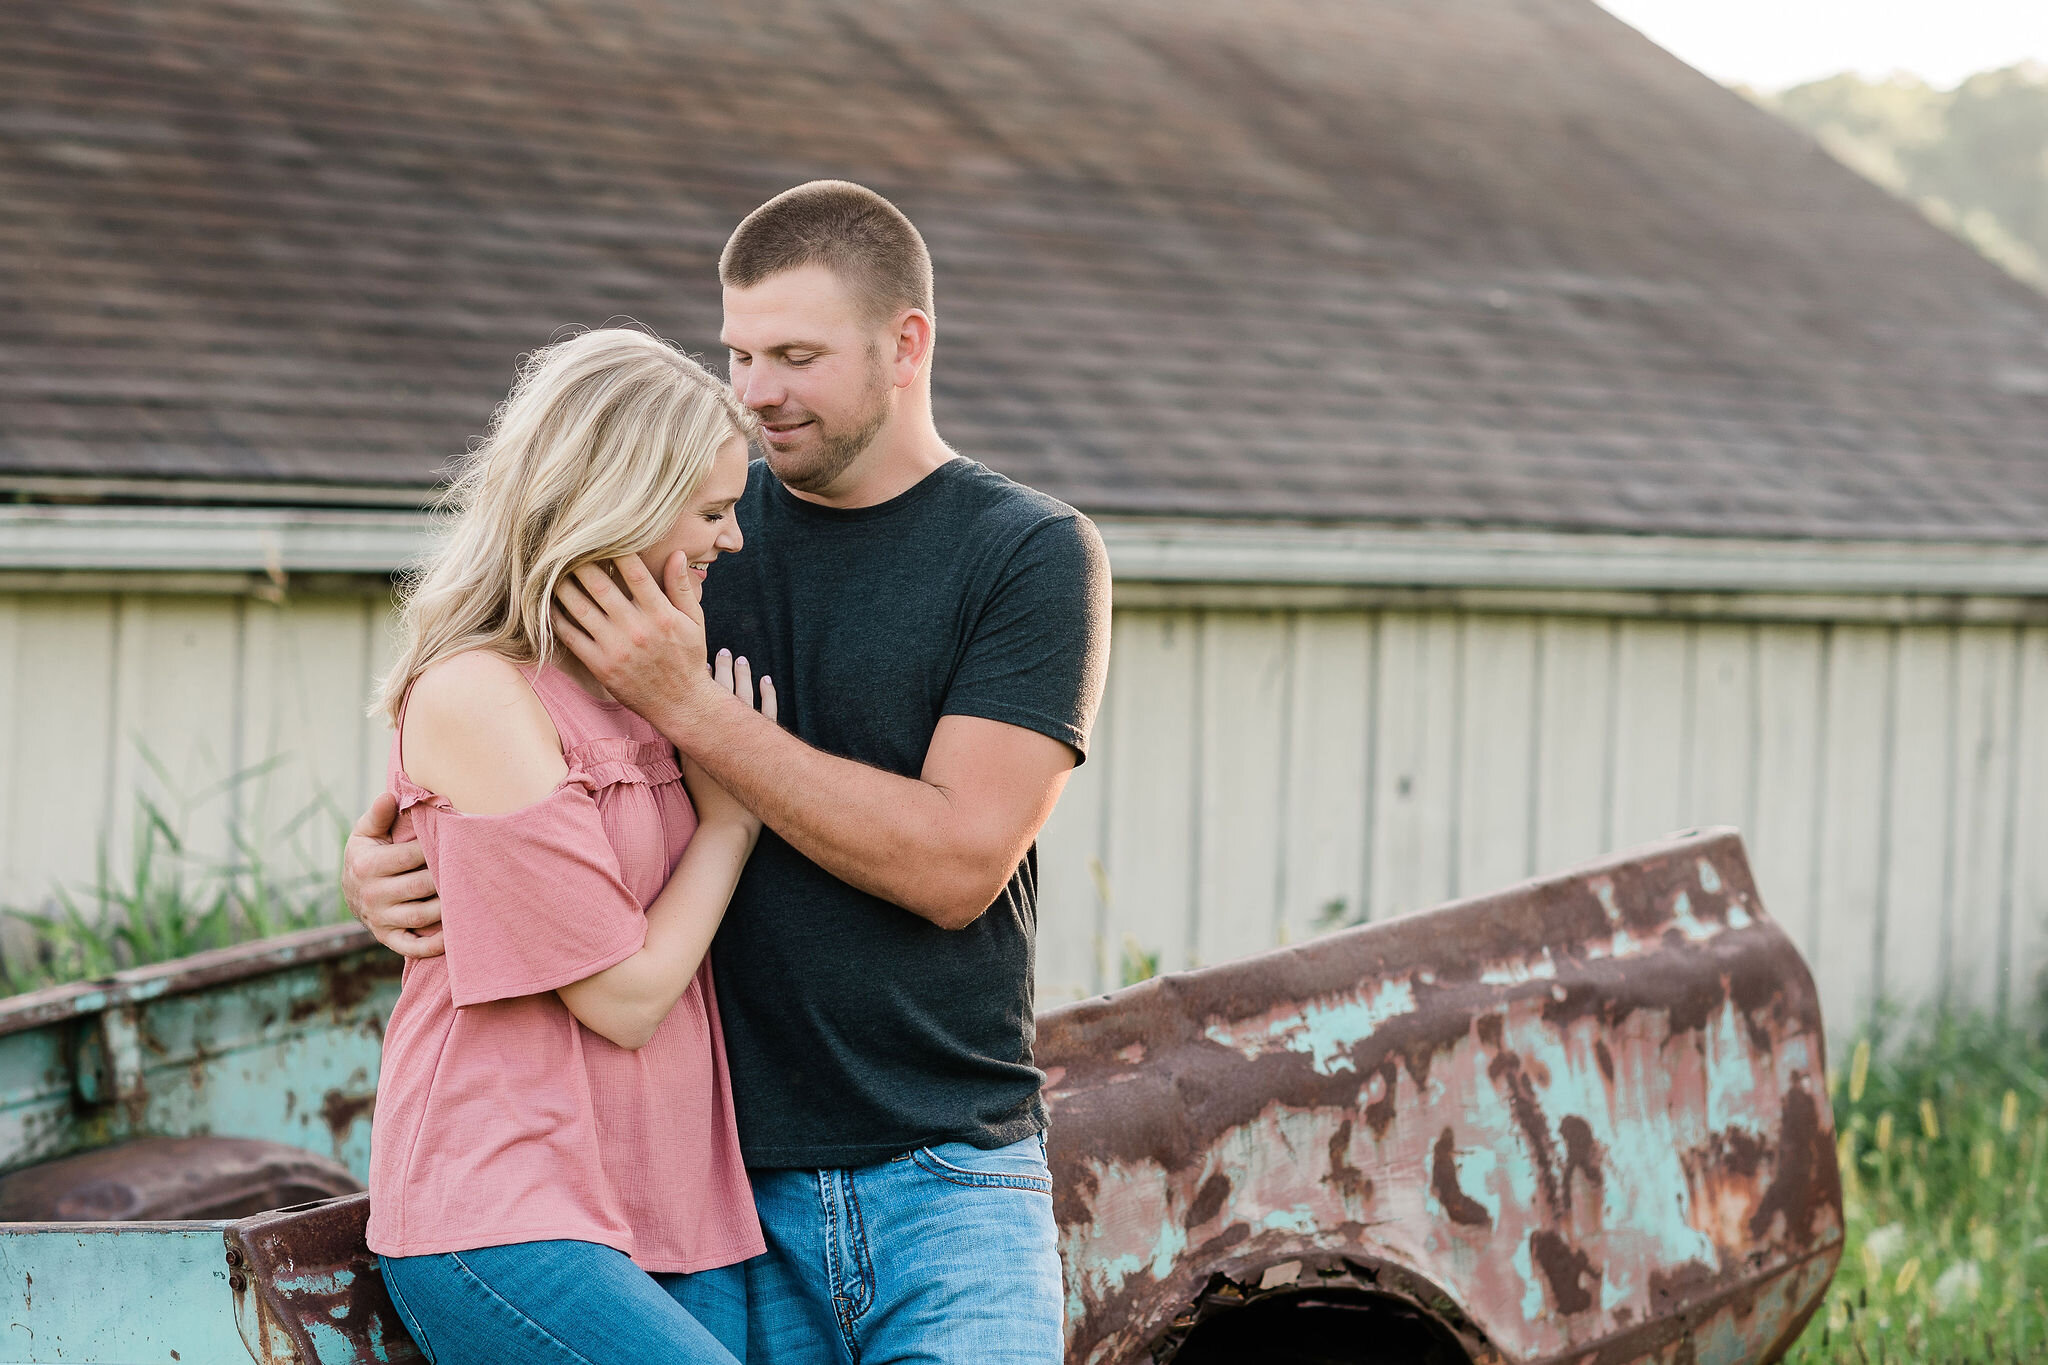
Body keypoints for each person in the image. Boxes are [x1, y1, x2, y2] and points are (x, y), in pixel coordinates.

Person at [346, 181, 1112, 1364]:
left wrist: (692, 711)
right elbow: (504, 739)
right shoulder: (677, 521)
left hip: (946, 1175)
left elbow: (959, 864)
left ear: (906, 345)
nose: (756, 392)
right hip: (716, 1190)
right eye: (740, 352)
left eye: (795, 356)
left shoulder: (1022, 552)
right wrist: (384, 856)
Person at [361, 327, 777, 1365]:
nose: (730, 541)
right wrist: (729, 821)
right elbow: (623, 998)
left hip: (668, 1201)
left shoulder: (642, 689)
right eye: (713, 512)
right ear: (623, 499)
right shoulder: (477, 696)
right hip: (506, 1207)